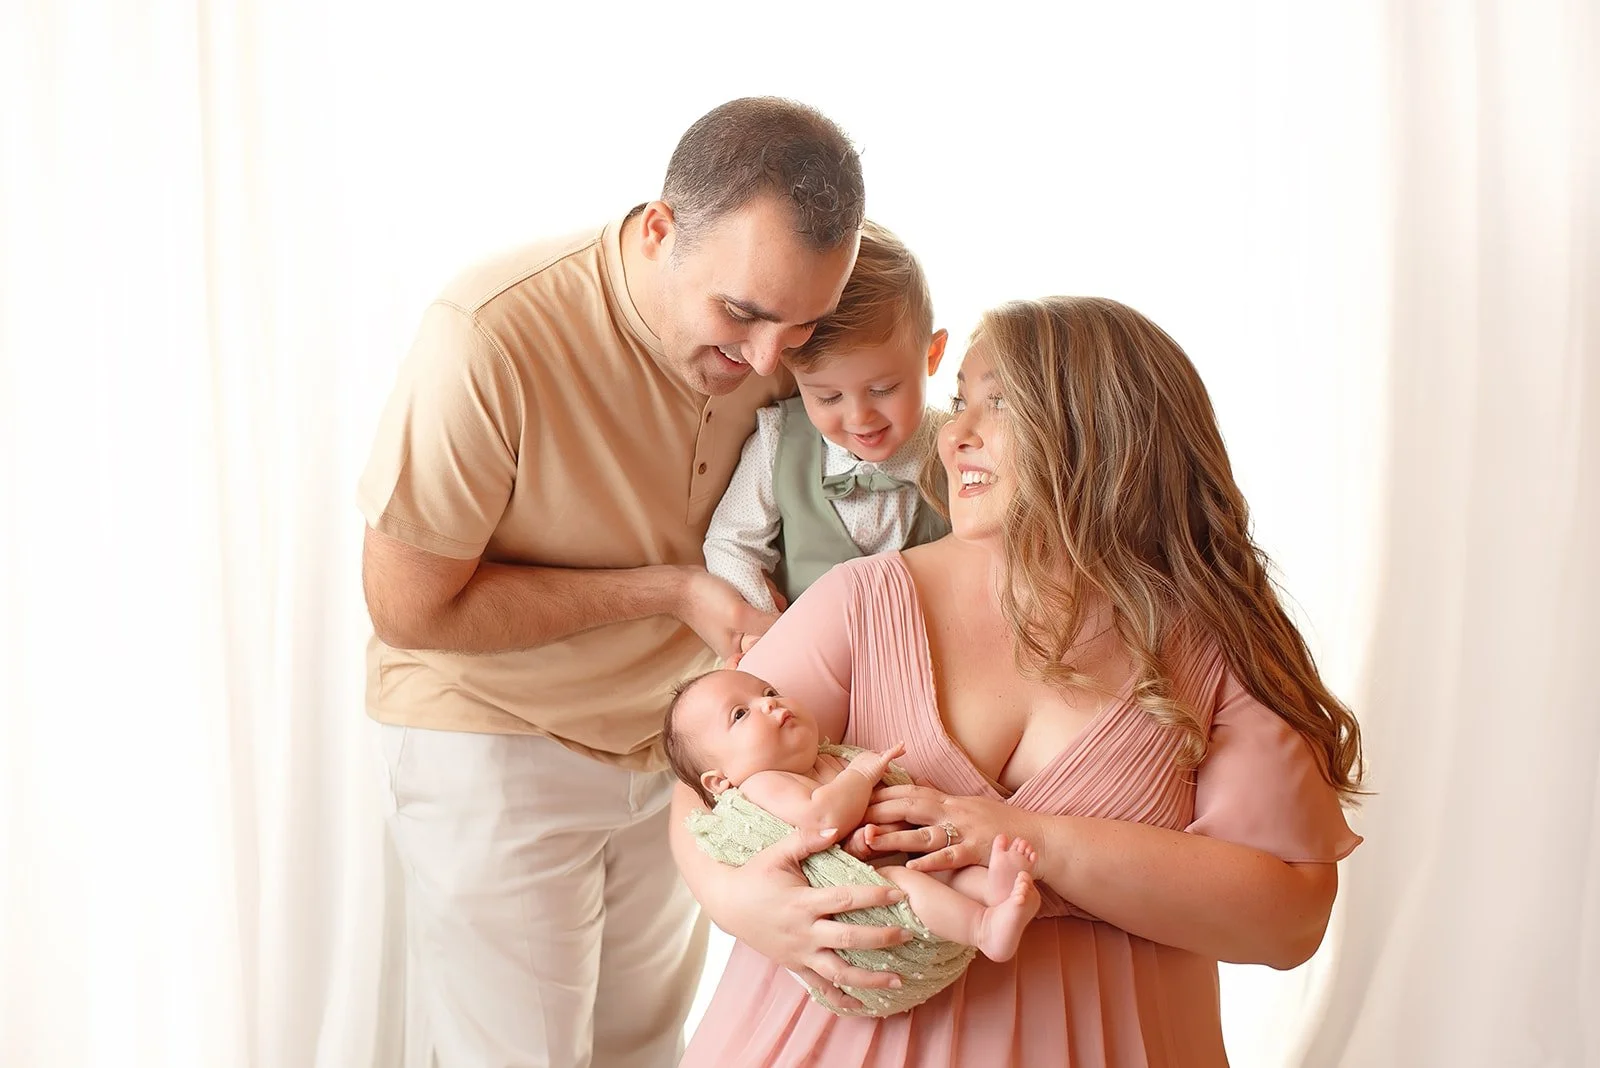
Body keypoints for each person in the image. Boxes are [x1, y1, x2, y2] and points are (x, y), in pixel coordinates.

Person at [672, 296, 1367, 1066]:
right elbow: (703, 779)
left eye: (998, 403)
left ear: (1106, 432)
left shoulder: (1215, 645)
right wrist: (734, 901)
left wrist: (1026, 840)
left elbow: (1289, 922)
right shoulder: (863, 600)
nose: (954, 435)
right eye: (960, 399)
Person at [356, 97, 865, 1068]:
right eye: (742, 316)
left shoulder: (783, 329)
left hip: (676, 748)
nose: (766, 361)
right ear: (659, 228)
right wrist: (669, 592)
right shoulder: (489, 334)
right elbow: (408, 608)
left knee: (641, 1049)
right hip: (495, 734)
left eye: (799, 327)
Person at [664, 669, 1042, 965]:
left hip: (888, 860)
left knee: (941, 868)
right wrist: (862, 774)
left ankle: (995, 892)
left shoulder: (827, 758)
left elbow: (858, 819)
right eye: (740, 714)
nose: (768, 704)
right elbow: (822, 820)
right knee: (900, 880)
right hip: (864, 904)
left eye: (769, 692)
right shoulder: (761, 785)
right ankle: (983, 928)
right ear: (719, 780)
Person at [702, 220, 950, 628]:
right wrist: (771, 628)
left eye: (884, 388)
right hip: (811, 664)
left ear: (932, 355)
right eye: (828, 397)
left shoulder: (957, 446)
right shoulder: (779, 443)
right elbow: (731, 543)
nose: (859, 418)